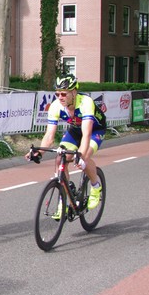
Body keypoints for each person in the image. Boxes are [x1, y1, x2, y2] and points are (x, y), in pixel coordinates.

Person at [25, 75, 104, 213]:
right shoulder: (55, 106)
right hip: (75, 130)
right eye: (57, 94)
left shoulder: (85, 102)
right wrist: (39, 152)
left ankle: (96, 187)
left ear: (74, 92)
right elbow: (49, 135)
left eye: (63, 94)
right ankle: (64, 201)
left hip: (94, 130)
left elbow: (86, 134)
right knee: (60, 159)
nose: (60, 97)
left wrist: (80, 155)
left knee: (84, 158)